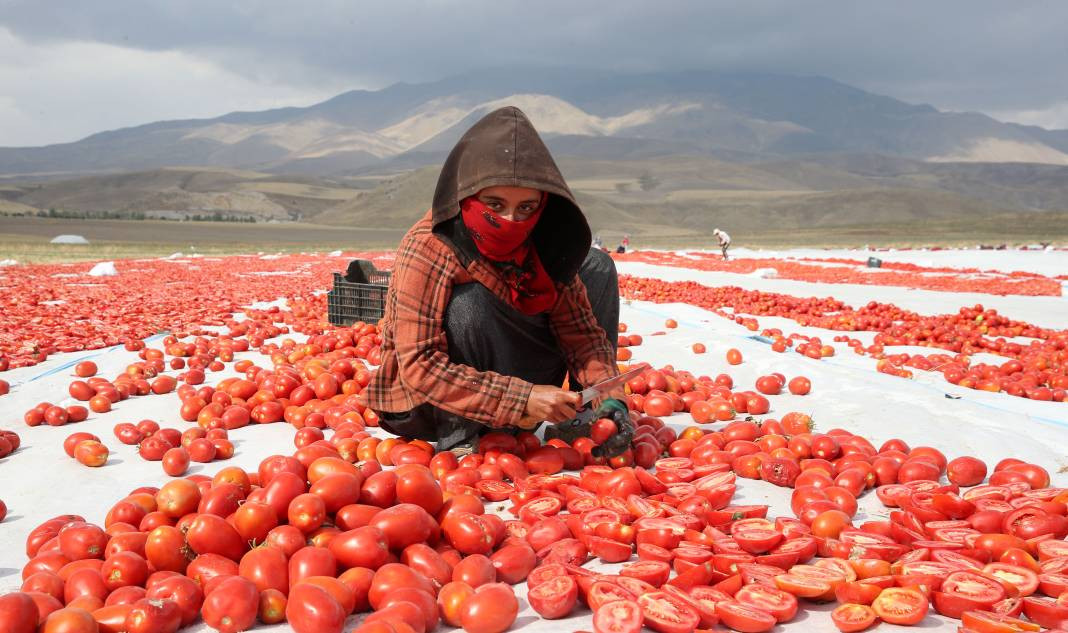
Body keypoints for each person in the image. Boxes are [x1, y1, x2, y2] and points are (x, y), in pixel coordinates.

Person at [367, 106, 633, 457]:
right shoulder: (431, 244)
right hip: (426, 401)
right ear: (467, 196)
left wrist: (606, 395)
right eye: (495, 204)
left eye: (526, 208)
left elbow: (581, 334)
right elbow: (419, 364)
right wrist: (523, 397)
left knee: (595, 265)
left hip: (509, 380)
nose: (510, 220)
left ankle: (578, 417)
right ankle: (460, 435)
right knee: (470, 302)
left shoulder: (545, 241)